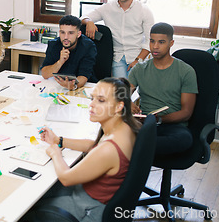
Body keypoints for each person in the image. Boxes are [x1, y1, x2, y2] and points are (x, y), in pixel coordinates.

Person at [23, 77, 141, 221]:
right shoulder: (125, 127)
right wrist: (59, 140)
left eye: (101, 100)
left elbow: (66, 178)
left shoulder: (109, 149)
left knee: (25, 206)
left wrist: (55, 153)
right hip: (97, 198)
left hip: (87, 209)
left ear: (119, 106)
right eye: (93, 98)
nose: (92, 105)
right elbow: (94, 145)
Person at [129, 22, 197, 155]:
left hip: (171, 126)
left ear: (171, 43)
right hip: (143, 124)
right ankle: (139, 146)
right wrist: (127, 102)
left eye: (161, 42)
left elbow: (186, 113)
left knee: (184, 139)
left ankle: (137, 146)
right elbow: (122, 93)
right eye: (152, 41)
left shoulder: (186, 71)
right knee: (110, 129)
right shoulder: (139, 68)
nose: (155, 46)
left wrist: (159, 119)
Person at [81, 0, 154, 78]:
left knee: (134, 91)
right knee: (120, 90)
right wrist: (89, 22)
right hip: (117, 58)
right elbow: (82, 17)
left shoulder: (144, 10)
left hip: (136, 56)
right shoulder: (108, 8)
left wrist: (138, 60)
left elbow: (150, 40)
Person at [41, 15, 97, 90]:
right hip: (59, 85)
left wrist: (73, 86)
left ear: (78, 34)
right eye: (63, 32)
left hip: (82, 88)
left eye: (70, 33)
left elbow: (83, 76)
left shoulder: (88, 46)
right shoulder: (53, 44)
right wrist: (60, 62)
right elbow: (45, 74)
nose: (66, 37)